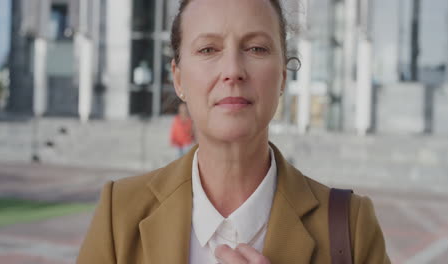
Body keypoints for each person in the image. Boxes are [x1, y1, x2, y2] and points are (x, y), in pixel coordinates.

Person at [77, 0, 391, 263]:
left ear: (282, 77)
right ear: (178, 78)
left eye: (256, 48)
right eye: (208, 49)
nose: (232, 71)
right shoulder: (119, 214)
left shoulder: (350, 225)